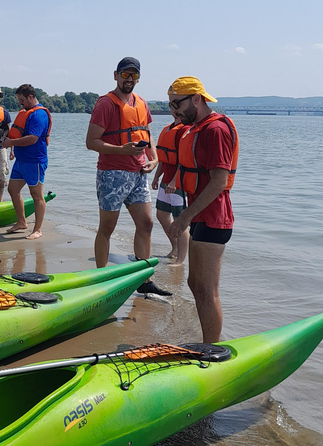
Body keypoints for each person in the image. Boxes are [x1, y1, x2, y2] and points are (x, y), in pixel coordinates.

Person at [85, 57, 169, 296]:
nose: (129, 79)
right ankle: (100, 279)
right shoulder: (105, 104)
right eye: (125, 75)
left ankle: (144, 280)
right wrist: (121, 150)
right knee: (107, 228)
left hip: (138, 173)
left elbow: (147, 133)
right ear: (116, 75)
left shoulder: (141, 102)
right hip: (112, 174)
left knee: (147, 223)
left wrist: (154, 159)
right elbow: (91, 142)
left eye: (134, 75)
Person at [165, 76, 239, 344]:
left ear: (197, 98)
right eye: (170, 105)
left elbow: (219, 181)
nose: (174, 111)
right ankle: (207, 340)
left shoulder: (215, 130)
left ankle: (211, 349)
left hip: (214, 218)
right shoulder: (196, 128)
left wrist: (184, 218)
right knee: (195, 284)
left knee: (207, 290)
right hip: (199, 216)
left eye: (177, 104)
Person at [2, 84, 51, 240]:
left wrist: (11, 143)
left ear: (30, 97)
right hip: (21, 160)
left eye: (22, 100)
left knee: (37, 195)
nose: (20, 103)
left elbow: (33, 138)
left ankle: (37, 229)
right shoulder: (26, 113)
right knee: (13, 189)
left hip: (35, 161)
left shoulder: (39, 115)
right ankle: (22, 222)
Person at [150, 106, 189, 266]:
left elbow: (184, 159)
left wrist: (174, 181)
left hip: (179, 182)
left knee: (180, 220)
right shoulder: (168, 129)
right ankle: (174, 248)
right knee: (161, 215)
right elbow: (163, 156)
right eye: (173, 107)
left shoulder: (184, 130)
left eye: (178, 107)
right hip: (166, 179)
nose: (175, 111)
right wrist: (156, 177)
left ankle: (180, 259)